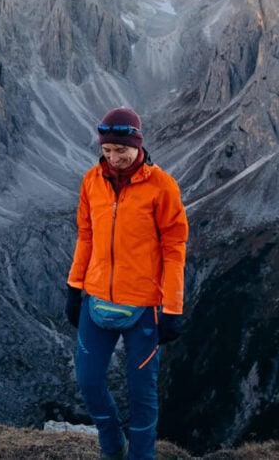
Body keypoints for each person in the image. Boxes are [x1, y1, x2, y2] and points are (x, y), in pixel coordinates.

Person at [65, 107, 189, 460]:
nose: (115, 158)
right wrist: (74, 288)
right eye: (107, 151)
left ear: (138, 145)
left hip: (144, 306)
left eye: (122, 150)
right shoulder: (91, 181)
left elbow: (174, 248)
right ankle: (111, 442)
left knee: (142, 394)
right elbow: (86, 236)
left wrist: (172, 308)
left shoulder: (162, 187)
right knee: (88, 381)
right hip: (96, 299)